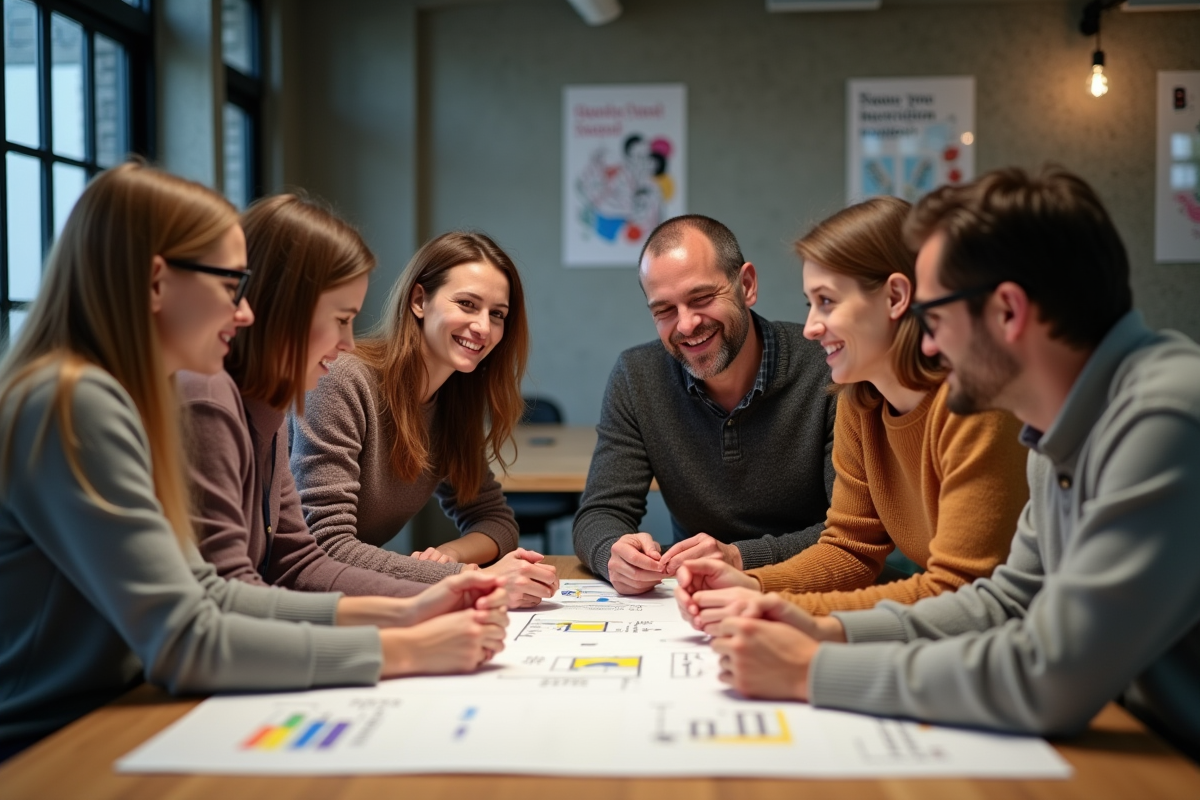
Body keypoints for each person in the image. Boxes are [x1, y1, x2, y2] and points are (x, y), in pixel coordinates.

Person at [0, 163, 507, 762]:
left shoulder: (128, 395)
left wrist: (406, 610)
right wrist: (404, 648)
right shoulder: (78, 403)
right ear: (158, 282)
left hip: (117, 714)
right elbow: (188, 638)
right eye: (229, 287)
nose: (243, 314)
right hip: (55, 743)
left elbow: (213, 593)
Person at [689, 167, 1200, 761]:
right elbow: (1003, 604)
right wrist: (824, 629)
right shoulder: (1058, 427)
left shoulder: (1166, 416)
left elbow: (1051, 676)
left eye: (936, 316)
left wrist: (813, 671)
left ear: (1007, 312)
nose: (927, 343)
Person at [675, 197, 1028, 621]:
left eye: (827, 301)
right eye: (810, 305)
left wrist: (773, 606)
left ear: (896, 296)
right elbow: (850, 549)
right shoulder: (860, 402)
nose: (810, 328)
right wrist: (751, 584)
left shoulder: (976, 408)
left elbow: (959, 593)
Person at [181, 193, 440, 597]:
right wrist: (409, 618)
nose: (348, 344)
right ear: (285, 307)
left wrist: (447, 592)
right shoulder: (208, 400)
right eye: (341, 320)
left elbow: (297, 562)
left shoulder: (270, 409)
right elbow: (227, 596)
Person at [290, 231, 559, 607]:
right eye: (467, 304)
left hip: (347, 596)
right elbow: (325, 546)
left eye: (497, 314)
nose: (483, 327)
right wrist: (466, 578)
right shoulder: (343, 379)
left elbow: (495, 521)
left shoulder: (453, 400)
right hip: (286, 599)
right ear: (419, 300)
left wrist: (451, 555)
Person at [573, 214, 835, 595]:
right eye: (664, 310)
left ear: (746, 285)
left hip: (816, 588)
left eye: (702, 298)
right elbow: (600, 513)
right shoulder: (637, 375)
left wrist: (741, 558)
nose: (686, 324)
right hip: (698, 600)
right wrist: (612, 552)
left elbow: (853, 531)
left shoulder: (826, 367)